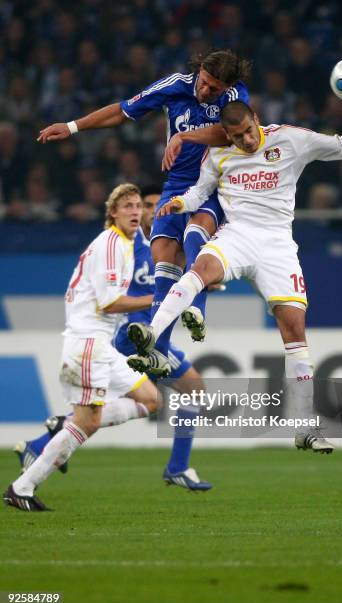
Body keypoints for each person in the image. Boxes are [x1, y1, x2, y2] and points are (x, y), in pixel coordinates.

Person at [126, 101, 342, 453]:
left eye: (248, 131)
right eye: (237, 135)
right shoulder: (219, 155)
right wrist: (181, 203)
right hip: (238, 235)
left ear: (256, 120)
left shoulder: (289, 139)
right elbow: (200, 191)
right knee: (199, 270)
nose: (245, 140)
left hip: (277, 246)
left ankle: (305, 427)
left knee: (294, 331)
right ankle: (152, 333)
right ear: (226, 134)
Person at [37, 50, 251, 374]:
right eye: (206, 83)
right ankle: (159, 351)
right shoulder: (175, 86)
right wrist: (72, 126)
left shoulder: (236, 95)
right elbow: (123, 111)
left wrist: (184, 135)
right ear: (199, 71)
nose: (207, 92)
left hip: (217, 182)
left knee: (195, 233)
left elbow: (233, 132)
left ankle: (197, 307)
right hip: (178, 182)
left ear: (228, 87)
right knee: (164, 257)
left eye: (215, 89)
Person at [12, 186, 213, 492]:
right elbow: (112, 296)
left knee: (138, 400)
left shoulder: (166, 247)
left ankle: (49, 435)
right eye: (143, 205)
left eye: (158, 205)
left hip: (143, 334)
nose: (150, 211)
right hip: (132, 335)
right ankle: (178, 467)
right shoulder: (130, 247)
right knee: (190, 390)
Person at [4, 184, 162, 512]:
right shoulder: (111, 245)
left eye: (138, 206)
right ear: (112, 213)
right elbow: (109, 303)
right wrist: (161, 298)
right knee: (87, 423)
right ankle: (23, 487)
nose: (135, 211)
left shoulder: (127, 245)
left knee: (150, 399)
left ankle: (64, 425)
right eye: (127, 206)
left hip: (100, 346)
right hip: (88, 345)